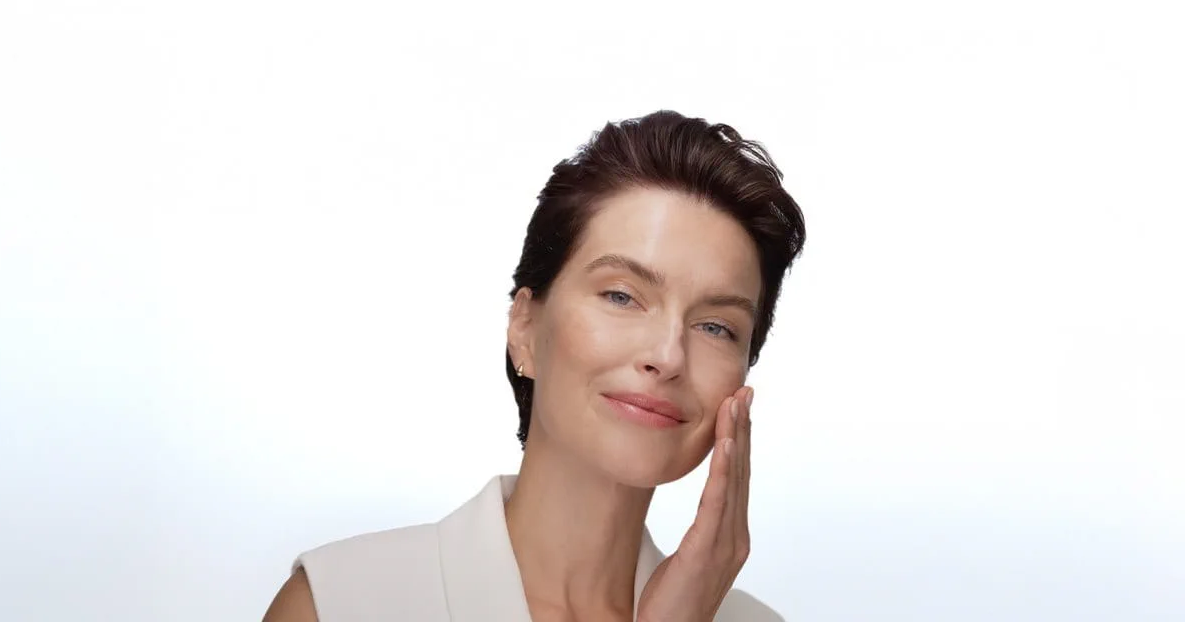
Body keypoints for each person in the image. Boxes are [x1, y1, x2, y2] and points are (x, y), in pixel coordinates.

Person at [263, 109, 807, 621]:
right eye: (621, 296)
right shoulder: (340, 603)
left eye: (716, 327)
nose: (667, 357)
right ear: (525, 327)